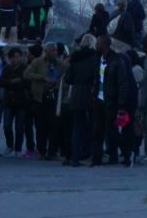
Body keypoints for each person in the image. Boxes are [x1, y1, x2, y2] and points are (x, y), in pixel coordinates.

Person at [92, 35, 136, 166]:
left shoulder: (117, 61)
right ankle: (96, 159)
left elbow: (123, 84)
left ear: (104, 45)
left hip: (111, 101)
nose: (96, 46)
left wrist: (121, 105)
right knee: (97, 131)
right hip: (98, 100)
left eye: (98, 43)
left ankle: (127, 153)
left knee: (112, 132)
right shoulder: (98, 59)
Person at [26, 41, 67, 159]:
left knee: (54, 126)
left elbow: (66, 77)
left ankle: (52, 151)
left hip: (54, 98)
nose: (54, 52)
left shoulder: (60, 64)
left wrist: (59, 84)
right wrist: (42, 78)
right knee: (40, 126)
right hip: (40, 98)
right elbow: (27, 74)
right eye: (52, 50)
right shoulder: (38, 62)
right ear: (46, 51)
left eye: (55, 50)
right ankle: (41, 151)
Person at [63, 34, 99, 166]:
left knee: (76, 127)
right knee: (92, 125)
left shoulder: (75, 58)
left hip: (76, 94)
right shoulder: (96, 58)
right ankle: (88, 152)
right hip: (91, 93)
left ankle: (74, 156)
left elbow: (68, 79)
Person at [0, 47, 34, 157]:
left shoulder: (26, 68)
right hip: (9, 101)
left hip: (21, 101)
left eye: (18, 56)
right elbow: (1, 82)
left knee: (19, 126)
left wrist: (17, 82)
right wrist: (12, 82)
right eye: (13, 57)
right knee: (6, 125)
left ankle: (18, 148)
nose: (16, 59)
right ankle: (10, 145)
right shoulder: (7, 68)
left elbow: (28, 82)